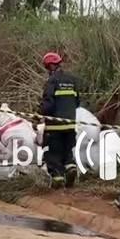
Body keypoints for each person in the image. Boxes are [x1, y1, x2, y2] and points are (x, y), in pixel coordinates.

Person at [40, 52, 81, 189]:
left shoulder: (52, 81)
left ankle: (57, 178)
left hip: (55, 126)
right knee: (68, 151)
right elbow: (77, 102)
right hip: (70, 123)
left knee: (54, 153)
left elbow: (48, 105)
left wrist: (41, 112)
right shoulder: (72, 80)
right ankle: (70, 167)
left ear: (50, 66)